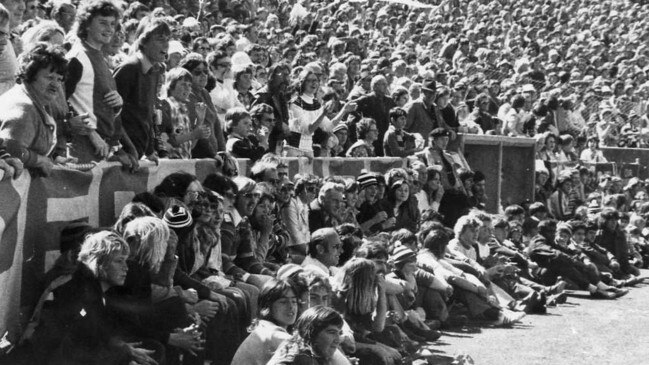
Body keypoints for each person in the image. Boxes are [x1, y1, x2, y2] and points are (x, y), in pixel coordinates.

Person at [42, 231, 164, 365]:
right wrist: (123, 357)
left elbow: (97, 333)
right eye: (119, 261)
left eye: (125, 261)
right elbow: (72, 348)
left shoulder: (95, 288)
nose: (126, 268)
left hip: (82, 354)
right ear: (99, 262)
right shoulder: (77, 291)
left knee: (153, 349)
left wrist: (124, 348)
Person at [65, 0, 139, 170]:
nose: (109, 29)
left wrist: (118, 104)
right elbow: (58, 102)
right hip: (82, 146)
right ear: (87, 24)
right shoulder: (76, 57)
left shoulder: (101, 57)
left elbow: (100, 106)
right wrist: (91, 133)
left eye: (112, 24)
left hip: (103, 148)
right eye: (103, 23)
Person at [0, 43, 67, 177]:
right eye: (49, 77)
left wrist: (53, 159)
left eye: (59, 79)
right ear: (30, 74)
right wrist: (39, 160)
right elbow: (12, 151)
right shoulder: (24, 107)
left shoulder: (39, 102)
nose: (56, 85)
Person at [114, 16, 170, 162]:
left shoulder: (155, 70)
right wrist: (123, 150)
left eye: (167, 39)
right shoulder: (129, 68)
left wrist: (150, 150)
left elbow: (148, 115)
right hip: (124, 156)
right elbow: (111, 114)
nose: (166, 45)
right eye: (160, 39)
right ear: (144, 41)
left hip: (138, 154)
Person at [231, 279, 298, 365]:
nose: (291, 306)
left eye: (294, 301)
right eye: (283, 302)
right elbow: (296, 345)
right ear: (267, 306)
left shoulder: (263, 326)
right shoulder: (271, 332)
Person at [179, 52, 225, 155]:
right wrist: (213, 154)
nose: (203, 75)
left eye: (205, 72)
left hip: (214, 155)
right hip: (199, 154)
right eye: (197, 72)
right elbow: (198, 131)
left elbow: (216, 125)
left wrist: (223, 152)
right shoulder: (187, 96)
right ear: (187, 74)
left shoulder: (205, 93)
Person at [159, 67, 211, 159]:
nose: (187, 89)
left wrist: (200, 121)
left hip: (184, 161)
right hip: (169, 162)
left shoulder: (184, 109)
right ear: (171, 85)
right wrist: (193, 134)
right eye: (183, 84)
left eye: (189, 85)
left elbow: (190, 146)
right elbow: (169, 140)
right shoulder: (166, 105)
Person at [268, 306, 346, 365]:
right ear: (312, 332)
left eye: (339, 333)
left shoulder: (295, 346)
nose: (337, 340)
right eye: (332, 332)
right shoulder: (302, 358)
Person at [354, 75, 396, 156]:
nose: (385, 86)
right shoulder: (367, 99)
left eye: (386, 84)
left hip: (385, 134)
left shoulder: (389, 100)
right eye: (383, 84)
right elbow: (351, 107)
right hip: (371, 135)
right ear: (375, 86)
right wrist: (361, 121)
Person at [404, 79, 451, 143]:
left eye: (434, 93)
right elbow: (402, 129)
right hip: (415, 148)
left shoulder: (435, 108)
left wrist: (450, 130)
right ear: (422, 92)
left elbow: (442, 124)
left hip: (431, 148)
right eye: (429, 93)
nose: (432, 96)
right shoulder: (413, 107)